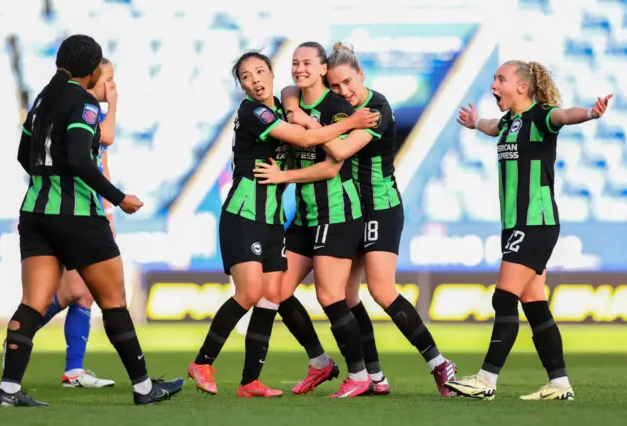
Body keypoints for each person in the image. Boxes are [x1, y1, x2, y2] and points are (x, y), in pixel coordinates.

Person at [255, 42, 457, 397]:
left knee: (381, 290)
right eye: (334, 86)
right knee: (343, 297)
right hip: (346, 210)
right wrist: (293, 106)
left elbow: (340, 150)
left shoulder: (375, 109)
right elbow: (290, 90)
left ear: (361, 74)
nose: (343, 91)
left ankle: (439, 363)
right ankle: (372, 377)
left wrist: (305, 121)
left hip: (379, 206)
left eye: (348, 82)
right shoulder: (335, 109)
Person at [0, 34, 183, 407]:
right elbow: (81, 160)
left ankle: (9, 389)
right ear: (94, 69)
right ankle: (144, 388)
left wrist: (46, 179)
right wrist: (120, 198)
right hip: (78, 216)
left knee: (33, 304)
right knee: (114, 302)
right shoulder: (83, 104)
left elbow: (22, 154)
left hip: (35, 212)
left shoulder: (41, 100)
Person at [186, 51, 376, 398]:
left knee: (273, 296)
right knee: (248, 294)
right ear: (241, 85)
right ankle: (203, 362)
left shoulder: (281, 107)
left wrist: (296, 107)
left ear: (272, 75)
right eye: (246, 76)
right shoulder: (253, 111)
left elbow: (296, 103)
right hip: (245, 214)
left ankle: (249, 382)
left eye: (260, 71)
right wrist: (351, 122)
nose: (255, 80)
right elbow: (305, 140)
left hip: (273, 219)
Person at [444, 60, 612, 401]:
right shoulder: (508, 122)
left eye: (500, 79)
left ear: (522, 87)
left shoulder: (540, 117)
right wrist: (474, 123)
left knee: (503, 296)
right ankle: (559, 383)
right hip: (516, 225)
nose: (494, 85)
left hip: (536, 222)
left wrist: (591, 114)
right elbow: (493, 127)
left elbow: (564, 116)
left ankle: (486, 379)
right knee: (534, 303)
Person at [34, 57, 117, 389]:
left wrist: (109, 213)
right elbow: (106, 140)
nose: (112, 86)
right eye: (108, 79)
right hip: (70, 211)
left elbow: (103, 164)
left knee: (81, 294)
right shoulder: (81, 111)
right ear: (92, 77)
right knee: (75, 292)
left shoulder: (86, 112)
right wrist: (115, 105)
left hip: (88, 210)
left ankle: (73, 371)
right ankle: (20, 332)